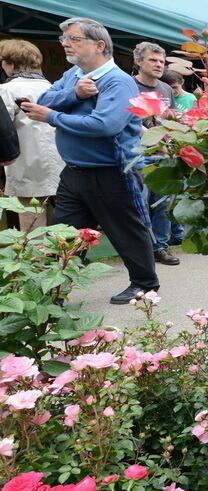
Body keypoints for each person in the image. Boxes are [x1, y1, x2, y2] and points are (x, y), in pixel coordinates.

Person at [22, 17, 158, 304]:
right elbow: (46, 97)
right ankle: (56, 291)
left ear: (99, 45)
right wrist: (74, 94)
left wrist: (53, 117)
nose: (65, 44)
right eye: (64, 40)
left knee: (125, 229)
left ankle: (144, 284)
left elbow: (105, 125)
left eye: (74, 39)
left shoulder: (118, 81)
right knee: (66, 234)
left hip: (112, 170)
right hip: (74, 171)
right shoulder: (74, 74)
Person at [0, 38, 63, 231]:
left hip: (27, 165)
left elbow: (2, 130)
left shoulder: (6, 90)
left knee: (33, 223)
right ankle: (64, 260)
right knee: (62, 222)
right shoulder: (54, 88)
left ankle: (37, 261)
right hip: (63, 164)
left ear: (9, 63)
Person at [132, 41, 180, 266]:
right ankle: (140, 249)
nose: (159, 65)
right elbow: (129, 121)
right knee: (139, 203)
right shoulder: (128, 85)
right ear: (138, 61)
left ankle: (160, 247)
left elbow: (168, 119)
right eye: (153, 60)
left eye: (162, 61)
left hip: (164, 152)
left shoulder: (166, 89)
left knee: (162, 203)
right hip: (138, 152)